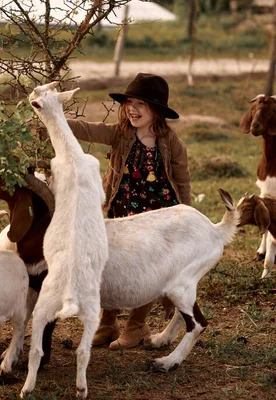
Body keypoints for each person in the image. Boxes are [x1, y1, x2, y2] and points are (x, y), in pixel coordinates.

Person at [67, 72, 191, 350]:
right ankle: (106, 322)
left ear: (157, 111)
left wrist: (185, 217)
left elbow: (182, 181)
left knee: (146, 270)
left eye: (141, 104)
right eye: (130, 102)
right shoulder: (120, 134)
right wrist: (56, 120)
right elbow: (88, 130)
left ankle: (136, 325)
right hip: (121, 214)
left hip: (156, 219)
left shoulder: (171, 143)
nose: (132, 109)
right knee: (110, 263)